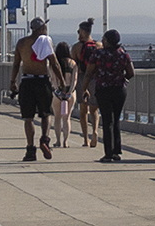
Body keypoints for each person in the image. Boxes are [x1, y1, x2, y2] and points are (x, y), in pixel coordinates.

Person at [10, 17, 62, 162]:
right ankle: (45, 139)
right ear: (41, 29)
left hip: (27, 81)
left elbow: (16, 64)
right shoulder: (45, 41)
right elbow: (54, 64)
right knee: (46, 114)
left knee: (28, 118)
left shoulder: (22, 43)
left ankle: (30, 150)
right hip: (42, 81)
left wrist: (13, 81)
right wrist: (61, 82)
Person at [88, 28, 133, 161]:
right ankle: (116, 151)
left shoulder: (98, 54)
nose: (102, 40)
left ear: (107, 41)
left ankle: (108, 153)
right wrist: (123, 78)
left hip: (103, 90)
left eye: (104, 39)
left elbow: (89, 73)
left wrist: (85, 87)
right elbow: (131, 73)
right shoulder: (123, 54)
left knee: (107, 120)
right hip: (119, 90)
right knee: (116, 119)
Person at [72, 20, 102, 148]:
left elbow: (73, 65)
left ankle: (85, 139)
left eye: (79, 31)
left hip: (82, 78)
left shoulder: (76, 47)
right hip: (96, 78)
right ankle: (95, 131)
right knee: (94, 109)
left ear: (83, 31)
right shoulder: (99, 45)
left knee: (83, 109)